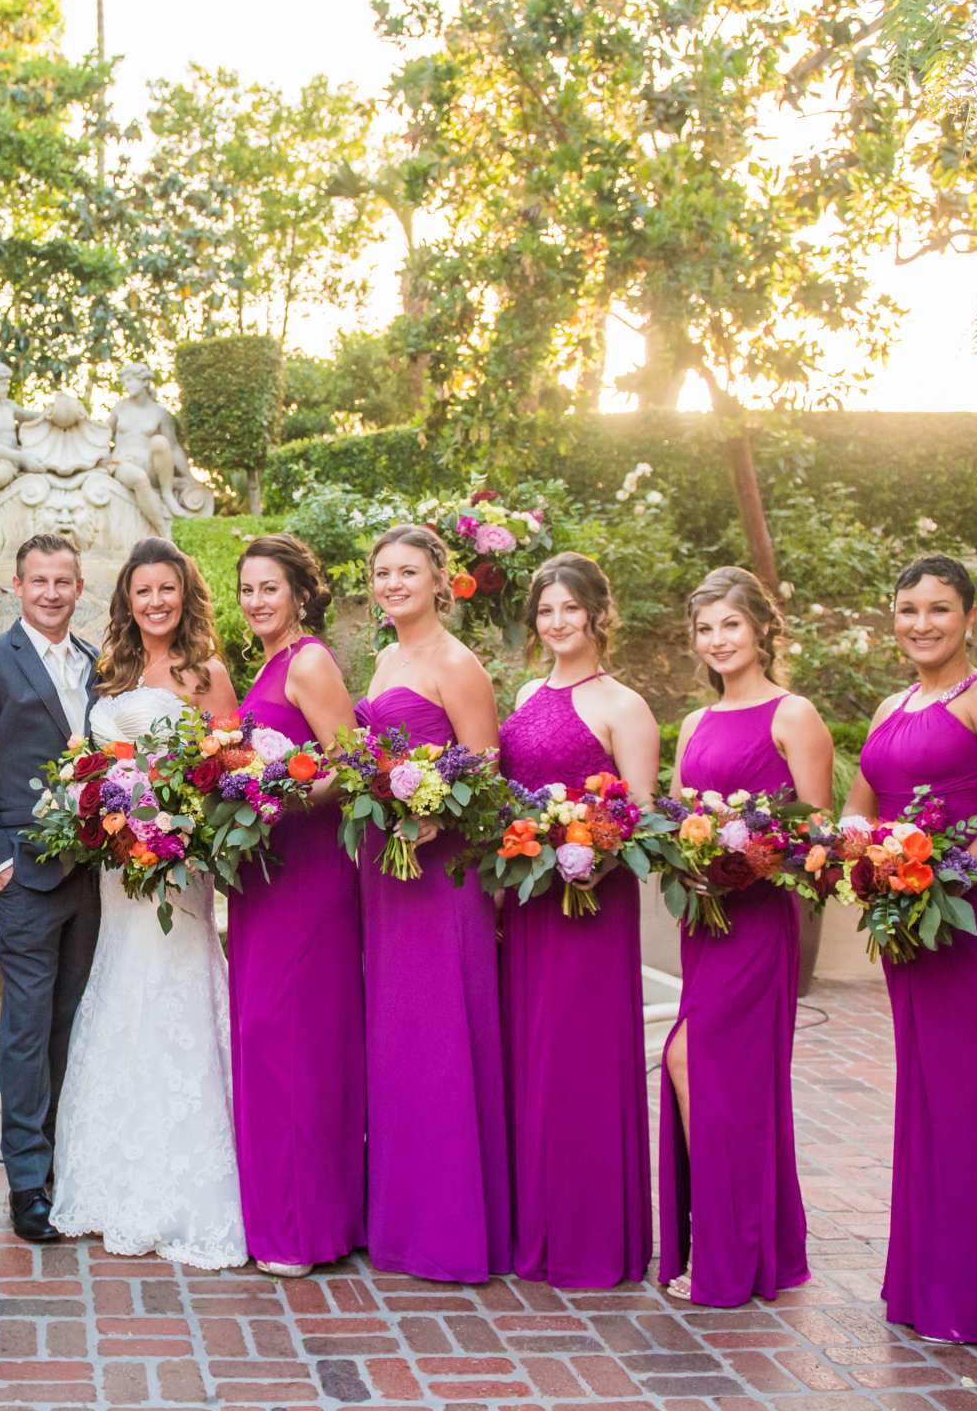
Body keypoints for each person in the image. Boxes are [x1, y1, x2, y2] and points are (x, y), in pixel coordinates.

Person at [846, 554, 977, 1350]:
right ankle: (931, 1285)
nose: (922, 624)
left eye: (940, 609)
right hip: (911, 929)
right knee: (932, 1103)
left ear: (970, 618)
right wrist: (850, 859)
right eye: (909, 609)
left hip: (975, 923)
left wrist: (945, 877)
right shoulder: (889, 706)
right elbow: (859, 808)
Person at [47, 538, 246, 1269]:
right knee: (121, 997)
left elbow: (229, 773)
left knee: (175, 996)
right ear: (127, 601)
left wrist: (176, 826)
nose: (155, 602)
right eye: (142, 592)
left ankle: (182, 1191)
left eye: (166, 590)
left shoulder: (205, 674)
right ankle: (112, 1181)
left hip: (176, 869)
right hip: (118, 872)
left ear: (184, 595)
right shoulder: (114, 670)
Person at [660, 566, 829, 1307]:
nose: (718, 640)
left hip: (758, 921)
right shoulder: (696, 724)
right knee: (713, 1074)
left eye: (730, 624)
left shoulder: (793, 715)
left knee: (692, 1061)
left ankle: (730, 1249)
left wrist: (750, 862)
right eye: (705, 629)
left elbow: (817, 839)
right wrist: (688, 858)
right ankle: (744, 1244)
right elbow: (676, 816)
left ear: (761, 628)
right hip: (704, 920)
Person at [352, 525, 510, 1282]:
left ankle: (450, 1231)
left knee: (441, 1031)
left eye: (407, 572)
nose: (392, 584)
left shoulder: (458, 663)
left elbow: (485, 766)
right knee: (396, 1036)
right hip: (385, 869)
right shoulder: (383, 658)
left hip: (441, 876)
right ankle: (401, 1220)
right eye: (382, 573)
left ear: (440, 580)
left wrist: (436, 813)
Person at [498, 551, 659, 1289]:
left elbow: (642, 820)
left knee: (580, 1060)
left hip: (590, 908)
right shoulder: (529, 690)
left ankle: (591, 1237)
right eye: (546, 611)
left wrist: (585, 844)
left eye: (570, 608)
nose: (558, 622)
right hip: (528, 904)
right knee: (528, 1057)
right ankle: (535, 1224)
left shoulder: (624, 706)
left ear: (597, 612)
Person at [0, 534, 103, 1244]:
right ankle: (27, 1185)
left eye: (62, 581)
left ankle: (68, 1161)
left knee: (72, 1025)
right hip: (27, 879)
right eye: (38, 581)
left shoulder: (96, 664)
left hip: (93, 878)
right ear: (16, 586)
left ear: (78, 587)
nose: (50, 592)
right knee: (24, 1032)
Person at [228, 535, 365, 1279]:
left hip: (307, 876)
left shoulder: (310, 661)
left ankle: (306, 1228)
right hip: (263, 878)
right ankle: (276, 1213)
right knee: (262, 1035)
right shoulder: (268, 664)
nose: (256, 602)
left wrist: (279, 801)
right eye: (247, 589)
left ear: (299, 592)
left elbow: (350, 764)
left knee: (296, 1039)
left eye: (269, 588)